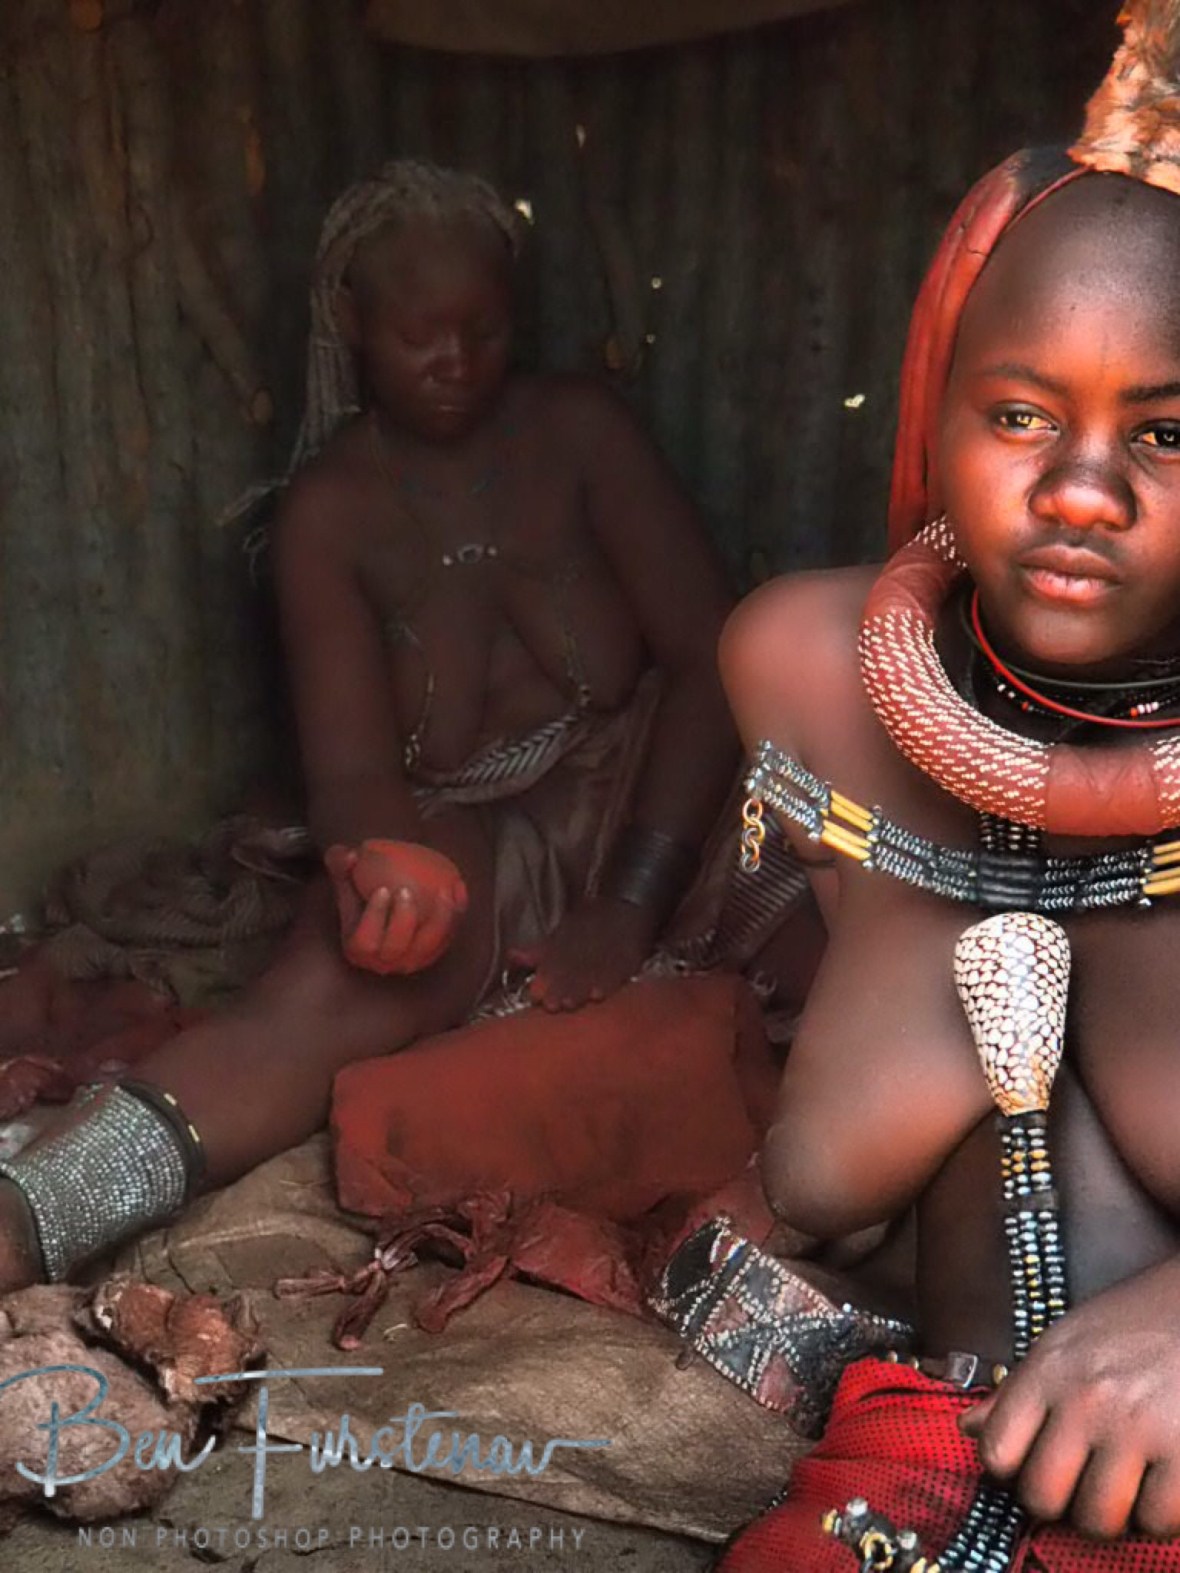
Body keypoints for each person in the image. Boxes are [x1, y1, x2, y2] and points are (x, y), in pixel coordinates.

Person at [0, 160, 753, 1292]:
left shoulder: (581, 434)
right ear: (350, 324)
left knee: (841, 916)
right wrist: (381, 861)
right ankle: (35, 1212)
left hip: (654, 784)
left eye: (484, 331)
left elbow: (712, 660)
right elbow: (351, 770)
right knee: (315, 1001)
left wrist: (630, 903)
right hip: (462, 824)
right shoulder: (330, 514)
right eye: (419, 334)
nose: (456, 362)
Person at [715, 7, 1180, 1569]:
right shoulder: (803, 666)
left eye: (1169, 433)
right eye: (1022, 415)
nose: (1079, 492)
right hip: (886, 1494)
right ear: (939, 408)